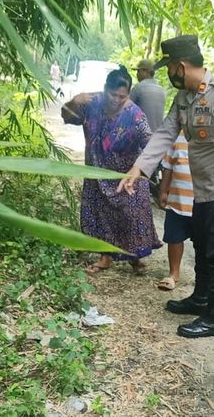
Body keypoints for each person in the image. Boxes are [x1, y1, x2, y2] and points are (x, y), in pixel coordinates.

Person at [117, 35, 214, 338]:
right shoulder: (184, 99)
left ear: (180, 66)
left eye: (170, 70)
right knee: (202, 248)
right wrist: (139, 168)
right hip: (201, 192)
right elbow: (165, 133)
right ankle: (201, 299)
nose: (169, 76)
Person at [61, 66, 162, 274]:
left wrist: (139, 170)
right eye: (113, 94)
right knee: (99, 215)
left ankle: (134, 258)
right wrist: (74, 101)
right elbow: (67, 116)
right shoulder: (91, 103)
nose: (116, 99)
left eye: (122, 96)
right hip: (97, 172)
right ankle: (105, 257)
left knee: (131, 216)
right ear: (105, 88)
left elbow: (151, 145)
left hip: (125, 176)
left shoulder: (135, 115)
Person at [157, 132, 194, 291]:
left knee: (203, 242)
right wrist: (164, 191)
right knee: (174, 238)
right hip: (177, 200)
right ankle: (174, 273)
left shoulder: (213, 137)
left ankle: (202, 276)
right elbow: (168, 167)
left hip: (200, 203)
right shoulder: (177, 139)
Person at [130, 59, 166, 133]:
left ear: (145, 72)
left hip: (141, 135)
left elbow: (126, 109)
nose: (137, 74)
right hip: (156, 136)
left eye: (138, 71)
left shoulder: (138, 88)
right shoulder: (162, 90)